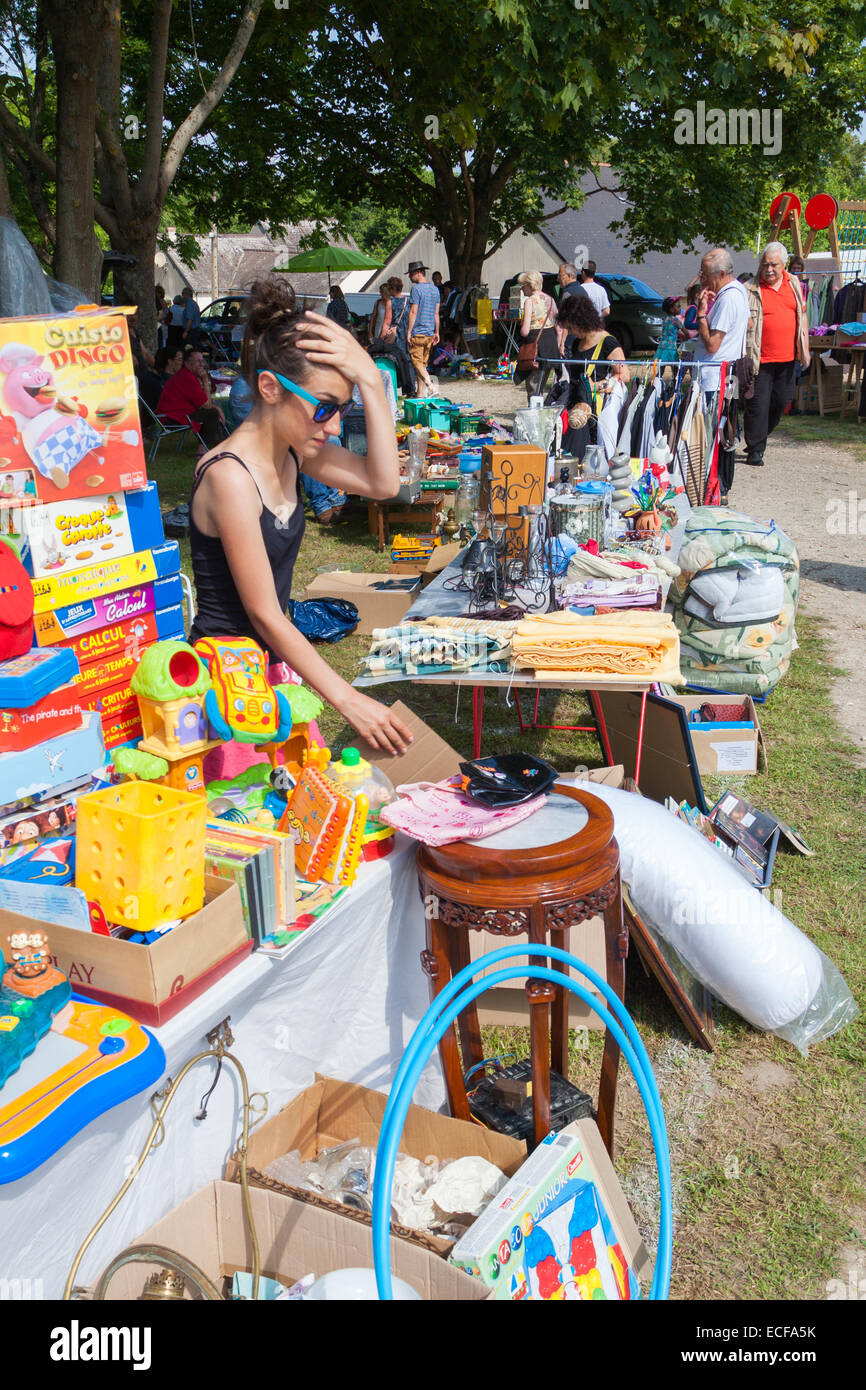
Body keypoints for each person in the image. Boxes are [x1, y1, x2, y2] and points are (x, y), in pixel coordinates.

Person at [187, 276, 413, 761]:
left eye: (342, 409)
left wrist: (372, 380)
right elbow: (264, 614)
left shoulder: (294, 455)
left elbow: (384, 484)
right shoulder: (230, 477)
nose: (334, 426)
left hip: (269, 671)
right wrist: (350, 700)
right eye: (324, 408)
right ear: (269, 388)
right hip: (224, 688)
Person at [742, 242, 810, 467]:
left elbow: (803, 317)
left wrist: (806, 350)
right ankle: (755, 449)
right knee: (757, 405)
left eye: (774, 265)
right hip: (759, 358)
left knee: (781, 402)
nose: (769, 269)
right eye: (765, 264)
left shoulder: (794, 285)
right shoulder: (749, 288)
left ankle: (758, 436)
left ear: (783, 265)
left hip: (788, 357)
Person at [556, 295, 627, 458]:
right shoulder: (576, 343)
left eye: (571, 326)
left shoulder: (607, 342)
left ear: (580, 320)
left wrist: (595, 385)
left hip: (593, 411)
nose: (570, 330)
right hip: (574, 408)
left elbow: (624, 375)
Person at [692, 248, 750, 397]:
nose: (702, 279)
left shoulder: (728, 299)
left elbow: (712, 345)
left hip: (713, 381)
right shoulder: (740, 290)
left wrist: (701, 315)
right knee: (728, 419)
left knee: (712, 421)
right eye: (701, 274)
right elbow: (749, 323)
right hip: (728, 377)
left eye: (706, 275)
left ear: (722, 274)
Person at [156, 345, 226, 452]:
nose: (201, 364)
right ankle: (202, 449)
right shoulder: (187, 377)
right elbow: (207, 405)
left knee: (212, 410)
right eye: (198, 361)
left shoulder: (186, 375)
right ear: (187, 363)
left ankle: (217, 441)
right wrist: (204, 379)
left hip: (175, 414)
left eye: (202, 361)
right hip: (171, 418)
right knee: (212, 413)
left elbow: (203, 402)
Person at [514, 270, 558, 404]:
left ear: (530, 285)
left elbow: (525, 331)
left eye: (523, 286)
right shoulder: (550, 299)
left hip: (535, 346)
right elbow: (557, 324)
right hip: (550, 345)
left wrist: (520, 327)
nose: (521, 289)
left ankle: (534, 415)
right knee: (542, 383)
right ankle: (540, 411)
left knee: (533, 386)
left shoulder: (529, 301)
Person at [406, 261, 440, 397]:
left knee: (417, 364)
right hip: (430, 333)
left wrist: (408, 331)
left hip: (418, 332)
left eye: (411, 273)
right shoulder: (435, 289)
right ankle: (420, 395)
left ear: (419, 272)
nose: (409, 276)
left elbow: (413, 311)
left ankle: (431, 386)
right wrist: (437, 332)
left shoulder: (416, 289)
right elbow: (436, 313)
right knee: (422, 365)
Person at [656, 297, 683, 363]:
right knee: (675, 367)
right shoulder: (675, 320)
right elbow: (685, 331)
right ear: (672, 309)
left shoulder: (665, 319)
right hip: (671, 347)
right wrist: (688, 338)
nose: (680, 308)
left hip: (662, 346)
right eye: (678, 306)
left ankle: (657, 374)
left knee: (661, 369)